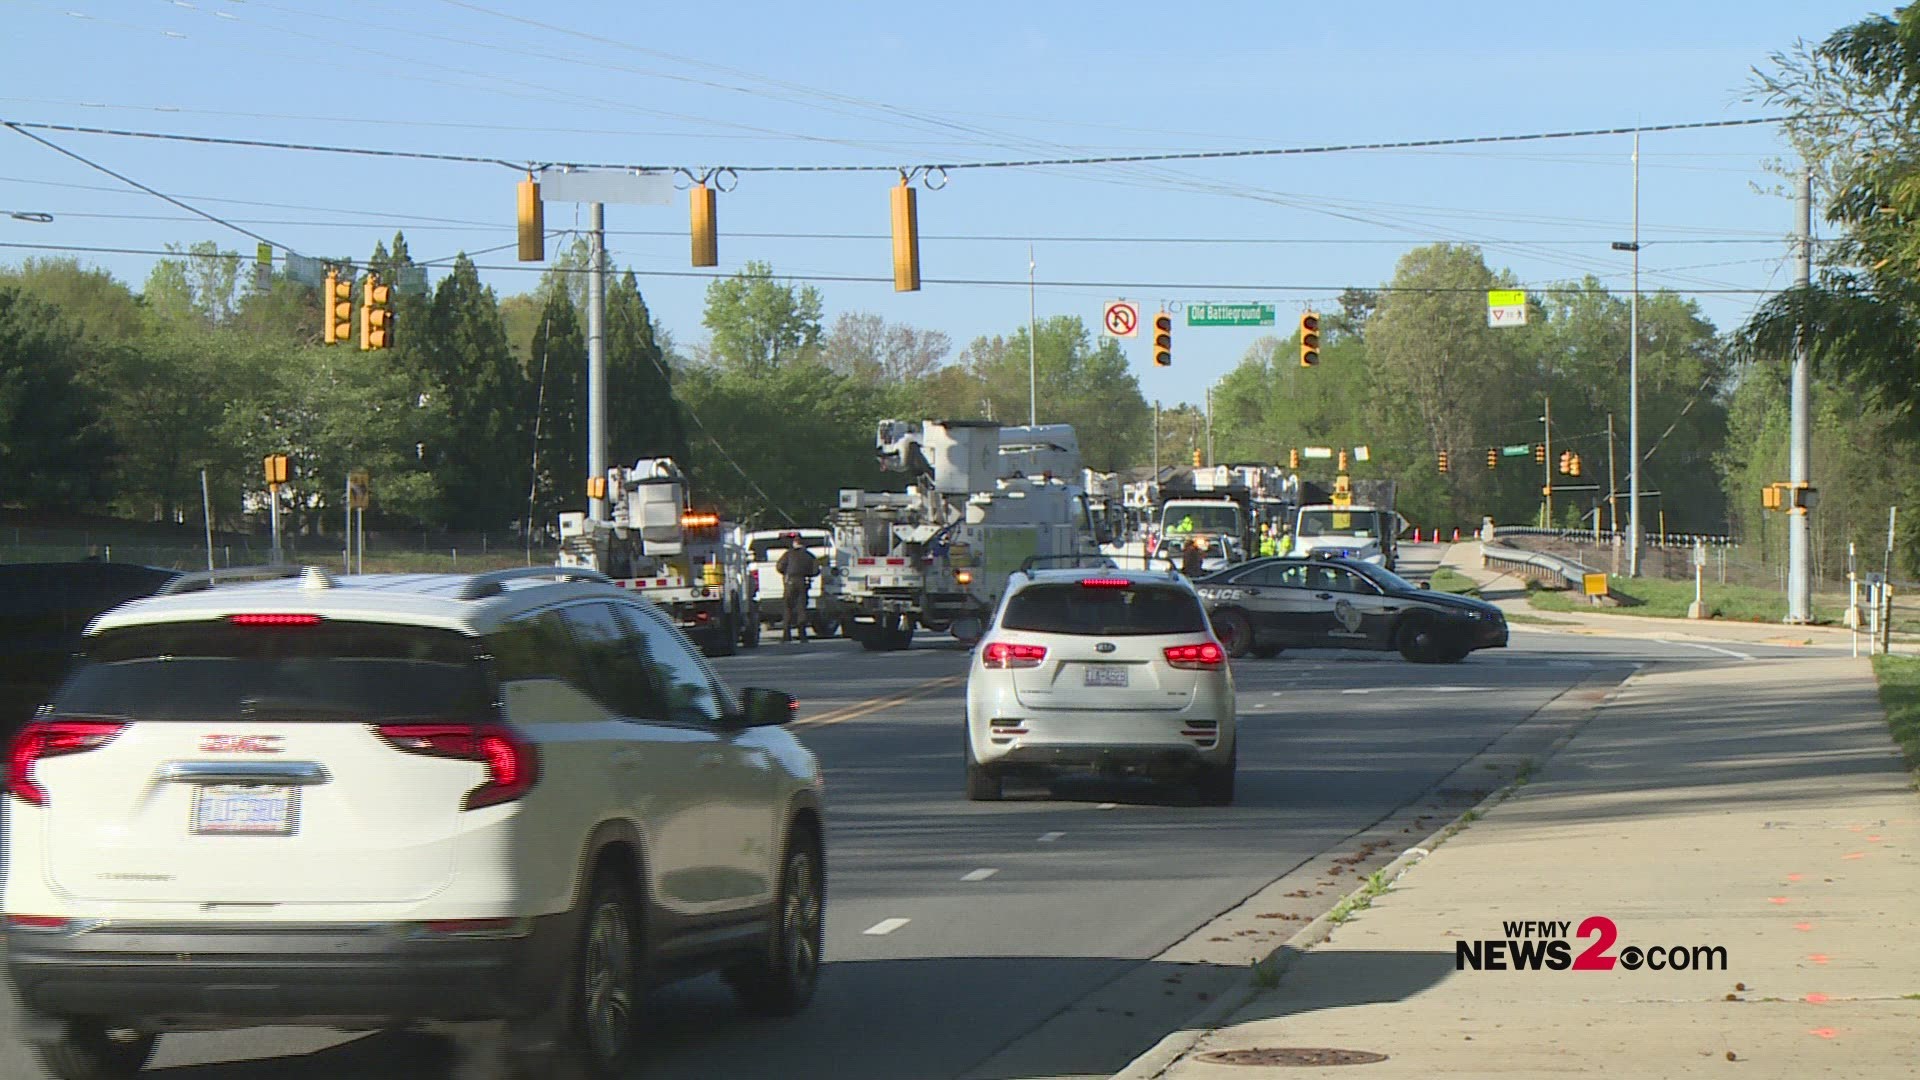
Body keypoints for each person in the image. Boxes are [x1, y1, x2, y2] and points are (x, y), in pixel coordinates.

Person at [775, 535, 819, 644]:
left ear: (794, 543)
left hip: (790, 582)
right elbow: (816, 571)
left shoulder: (788, 554)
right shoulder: (809, 555)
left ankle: (786, 635)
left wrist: (786, 573)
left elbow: (779, 567)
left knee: (788, 608)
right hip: (802, 581)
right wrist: (808, 573)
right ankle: (802, 636)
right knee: (802, 609)